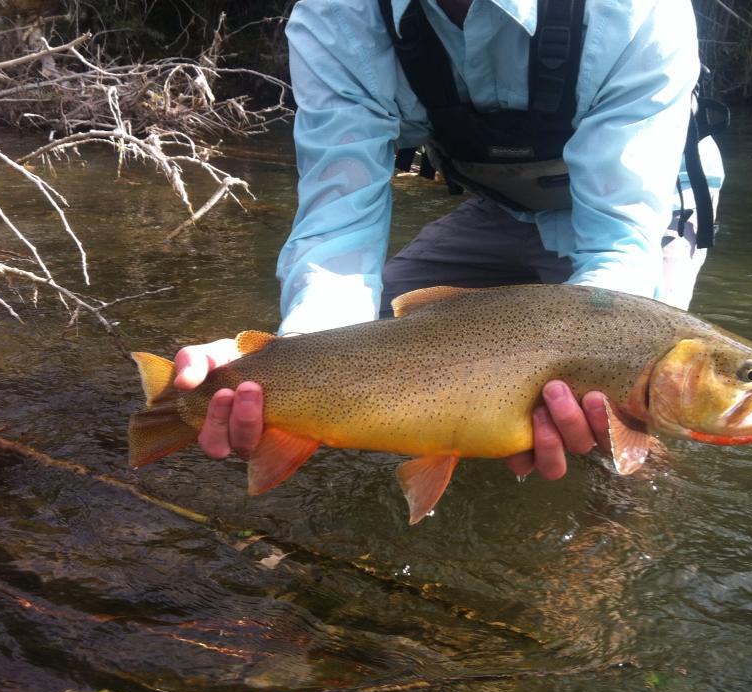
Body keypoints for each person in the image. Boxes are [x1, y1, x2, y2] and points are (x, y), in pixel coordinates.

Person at [172, 0, 724, 482]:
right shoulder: (338, 15)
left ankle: (597, 569)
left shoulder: (637, 9)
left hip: (642, 219)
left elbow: (619, 248)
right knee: (386, 341)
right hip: (501, 206)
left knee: (630, 418)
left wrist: (589, 379)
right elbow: (339, 223)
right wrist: (289, 364)